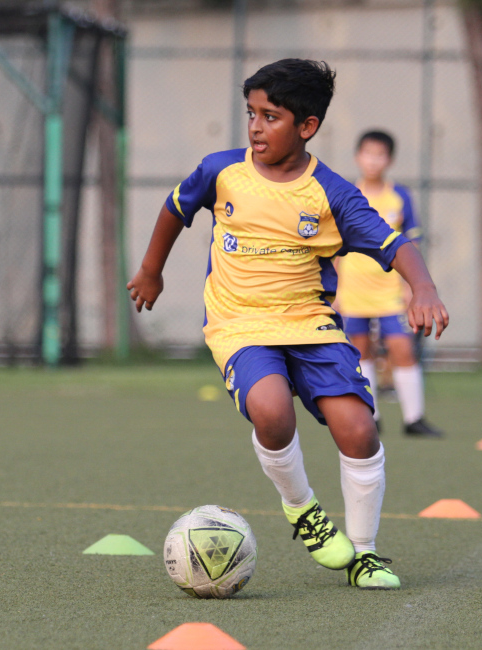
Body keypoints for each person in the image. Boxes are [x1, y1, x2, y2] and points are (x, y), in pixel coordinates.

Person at [127, 59, 448, 590]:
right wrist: (150, 270)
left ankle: (364, 555)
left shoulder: (332, 193)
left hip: (312, 325)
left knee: (360, 430)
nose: (255, 127)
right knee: (272, 410)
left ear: (307, 127)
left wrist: (425, 288)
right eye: (251, 113)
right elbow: (174, 209)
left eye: (270, 116)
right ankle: (304, 511)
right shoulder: (220, 170)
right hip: (240, 323)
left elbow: (394, 245)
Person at [335, 130, 444, 438]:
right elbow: (333, 248)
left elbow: (412, 244)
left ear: (389, 160)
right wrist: (334, 291)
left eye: (380, 155)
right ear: (358, 157)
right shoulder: (345, 193)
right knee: (360, 351)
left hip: (390, 292)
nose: (373, 160)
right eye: (367, 153)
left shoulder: (400, 197)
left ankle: (414, 419)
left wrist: (413, 286)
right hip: (352, 291)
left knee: (402, 349)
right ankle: (372, 415)